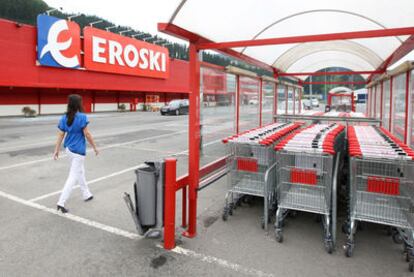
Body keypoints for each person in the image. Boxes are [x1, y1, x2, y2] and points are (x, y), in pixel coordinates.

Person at [53, 94, 99, 213]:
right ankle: (61, 202)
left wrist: (56, 150)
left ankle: (86, 193)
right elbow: (87, 134)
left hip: (69, 150)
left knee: (80, 171)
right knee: (73, 176)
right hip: (78, 151)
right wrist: (95, 147)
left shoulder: (64, 117)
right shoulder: (82, 117)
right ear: (79, 104)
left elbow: (60, 135)